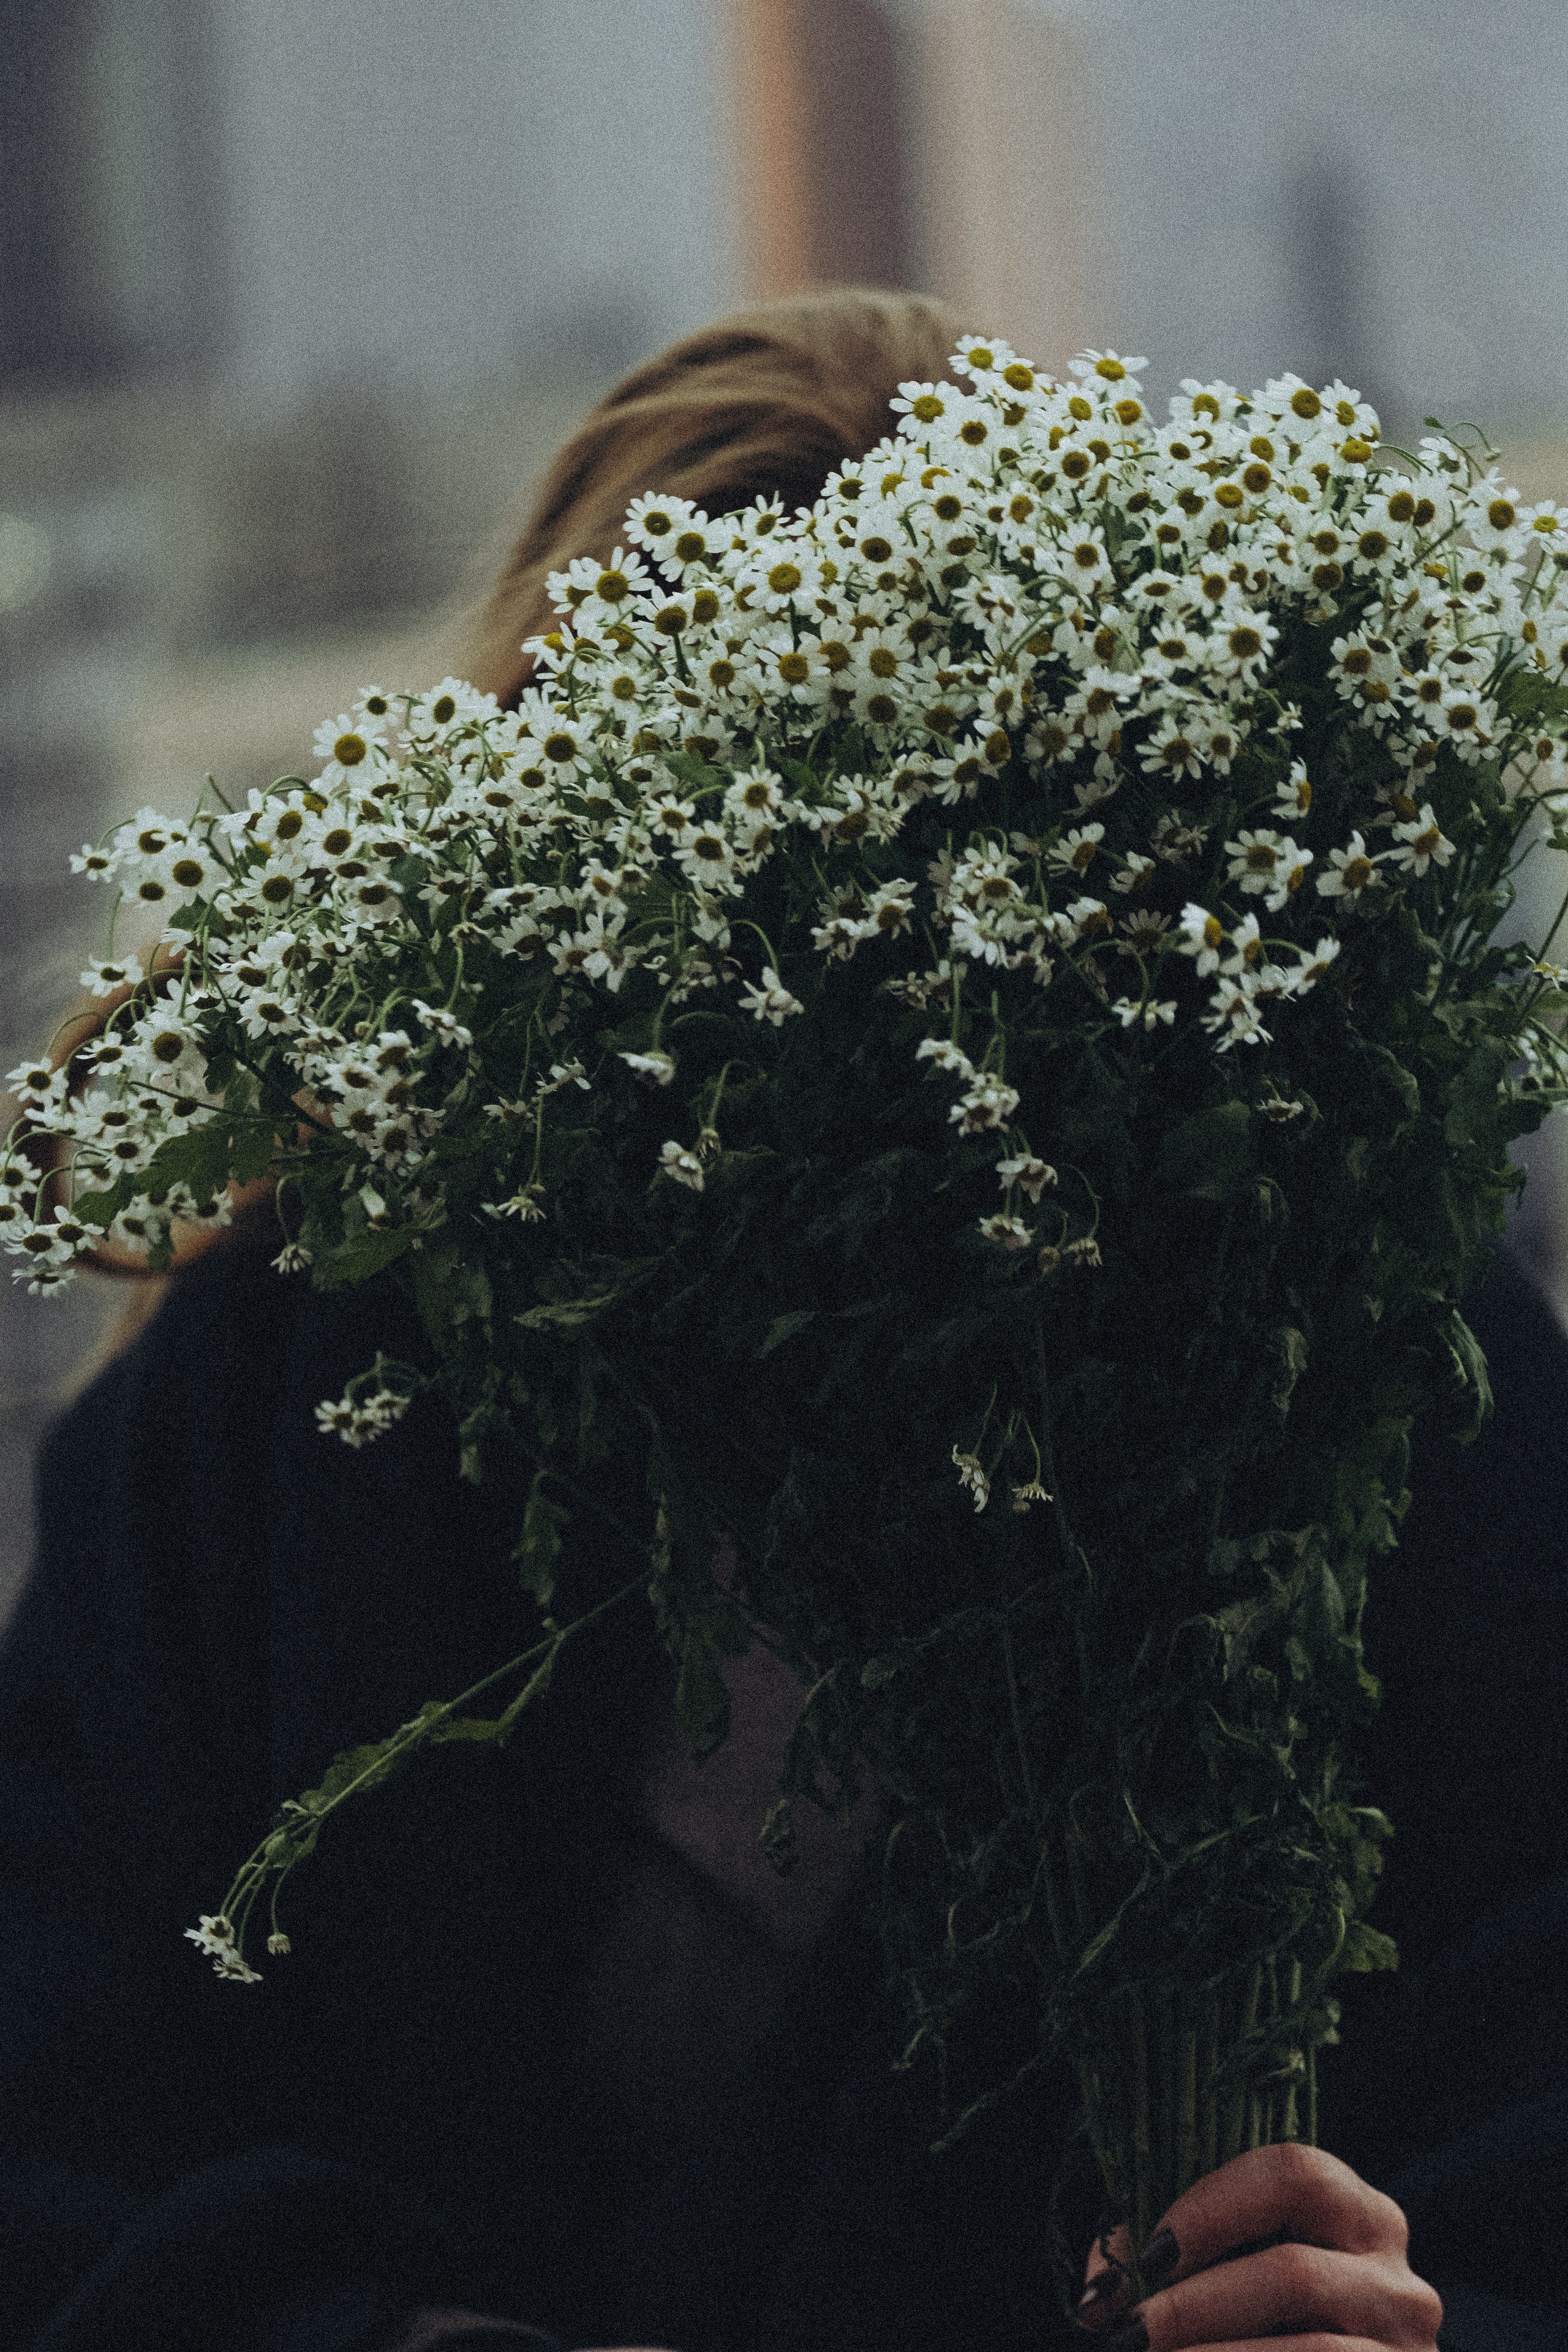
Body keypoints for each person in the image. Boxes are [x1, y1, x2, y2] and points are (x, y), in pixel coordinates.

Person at [0, 286, 1561, 2352]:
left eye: (962, 872)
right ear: (539, 898)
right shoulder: (273, 1418)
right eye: (753, 925)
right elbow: (58, 2169)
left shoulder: (1348, 1361)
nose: (877, 1019)